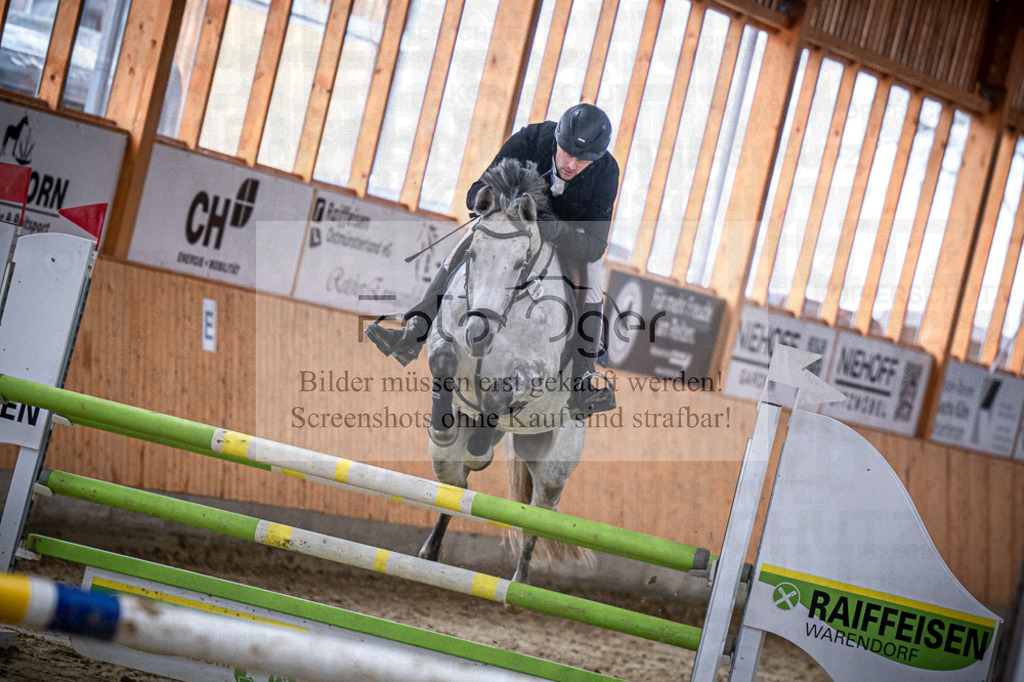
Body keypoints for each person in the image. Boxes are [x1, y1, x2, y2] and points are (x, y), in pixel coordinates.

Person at [365, 102, 619, 419]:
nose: (571, 164)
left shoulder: (607, 172)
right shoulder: (530, 140)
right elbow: (475, 193)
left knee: (593, 282)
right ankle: (416, 330)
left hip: (568, 239)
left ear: (595, 158)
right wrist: (501, 204)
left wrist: (555, 229)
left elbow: (594, 246)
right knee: (469, 239)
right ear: (557, 138)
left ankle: (583, 378)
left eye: (582, 160)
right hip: (515, 225)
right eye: (567, 153)